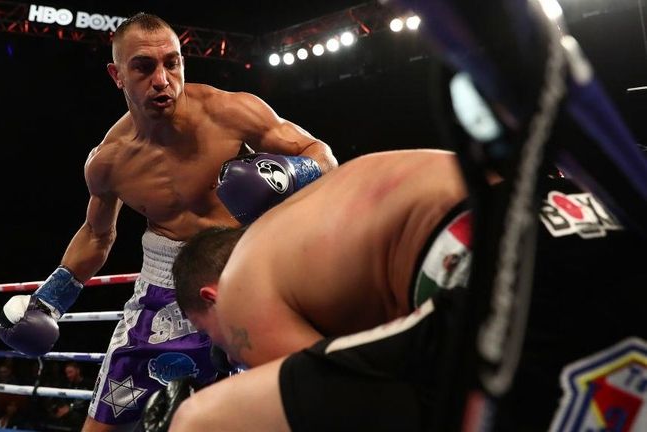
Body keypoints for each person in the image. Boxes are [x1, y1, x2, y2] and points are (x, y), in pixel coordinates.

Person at [0, 11, 337, 431]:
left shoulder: (230, 112)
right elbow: (98, 235)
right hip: (161, 292)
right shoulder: (109, 161)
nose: (162, 79)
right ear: (116, 75)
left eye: (171, 63)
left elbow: (320, 155)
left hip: (244, 280)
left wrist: (285, 174)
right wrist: (50, 299)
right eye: (143, 67)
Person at [163, 149, 647, 431]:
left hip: (503, 284)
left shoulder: (242, 289)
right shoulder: (322, 213)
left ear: (211, 296)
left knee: (200, 421)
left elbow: (355, 410)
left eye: (211, 335)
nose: (226, 349)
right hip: (593, 222)